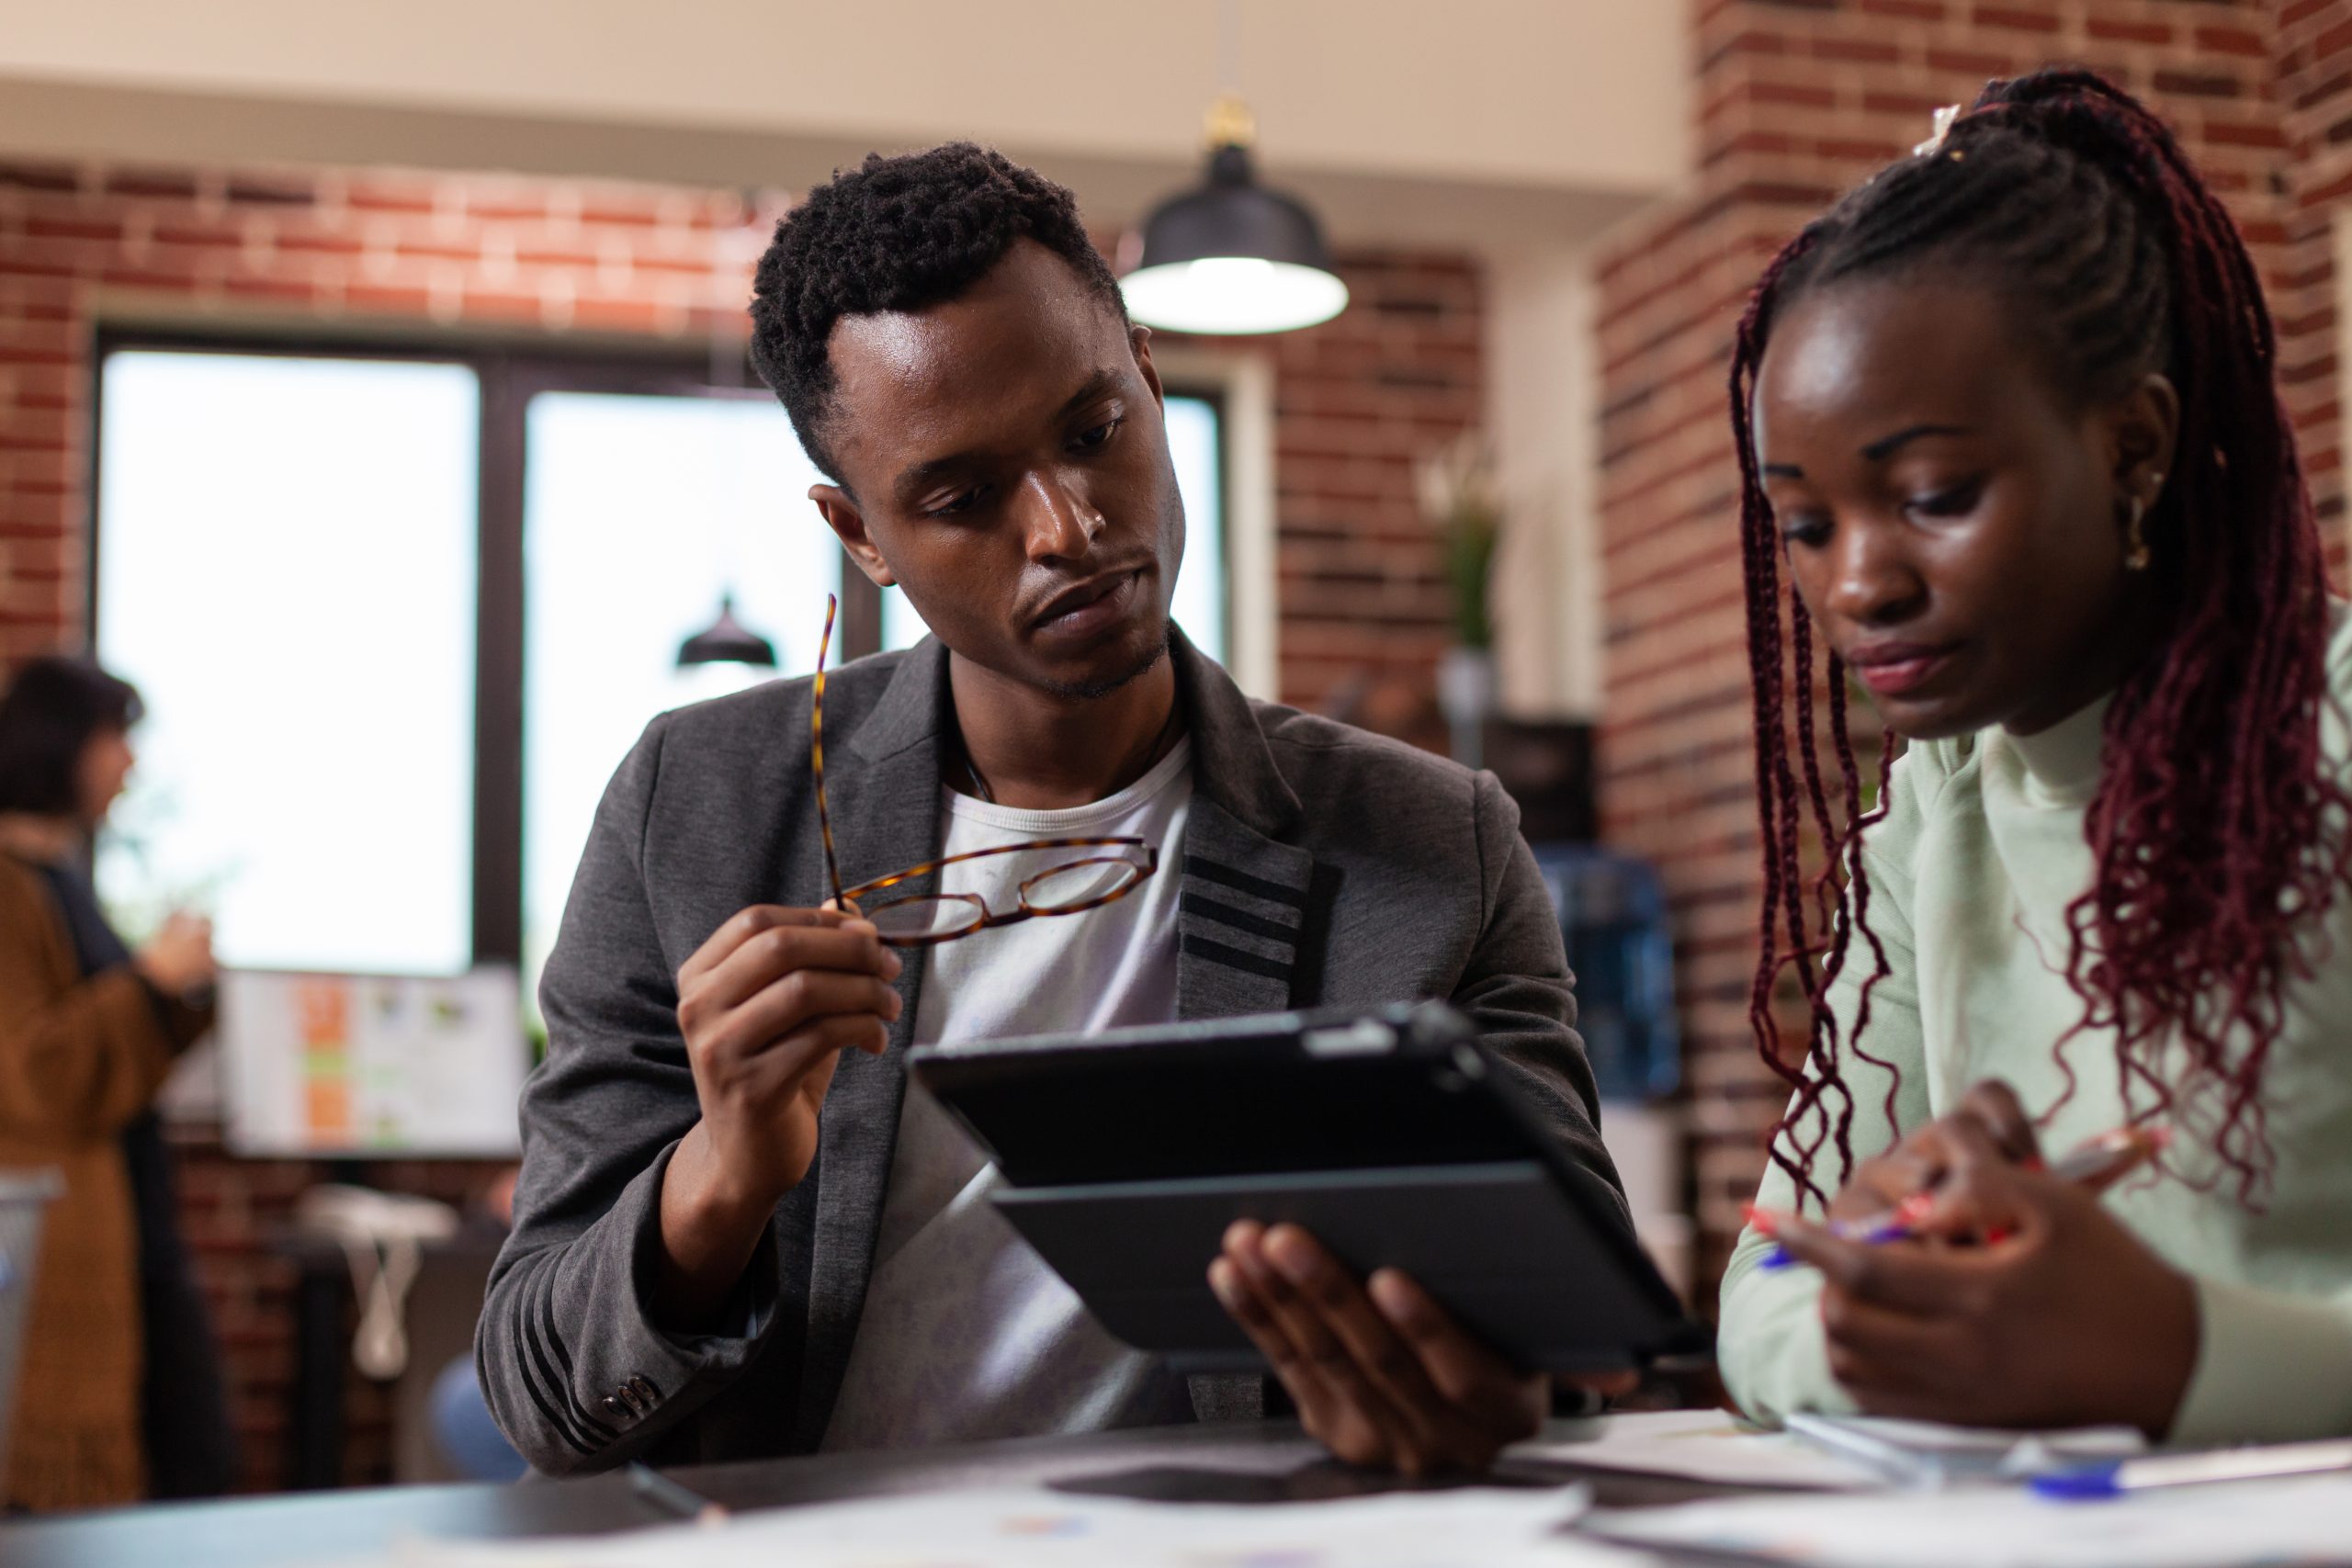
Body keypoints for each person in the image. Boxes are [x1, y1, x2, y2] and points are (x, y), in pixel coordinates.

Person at [479, 143, 1632, 1480]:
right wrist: (725, 1170)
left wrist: (1478, 1385)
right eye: (964, 497)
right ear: (861, 534)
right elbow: (543, 1399)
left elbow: (1574, 1353)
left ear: (1147, 373)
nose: (1069, 526)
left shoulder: (1428, 843)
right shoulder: (701, 806)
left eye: (1094, 432)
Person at [1717, 69, 2352, 1443]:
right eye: (1806, 523)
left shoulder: (2336, 730)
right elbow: (1760, 1290)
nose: (1861, 583)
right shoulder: (1931, 811)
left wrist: (2181, 1354)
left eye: (1934, 495)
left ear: (2133, 446)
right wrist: (1892, 1301)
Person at [0, 658, 233, 1509]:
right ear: (62, 743)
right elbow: (36, 1075)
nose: (128, 763)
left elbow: (119, 1050)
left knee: (195, 1453)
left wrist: (181, 991)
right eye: (115, 739)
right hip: (61, 1236)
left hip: (132, 1213)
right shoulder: (7, 885)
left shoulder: (63, 877)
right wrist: (147, 979)